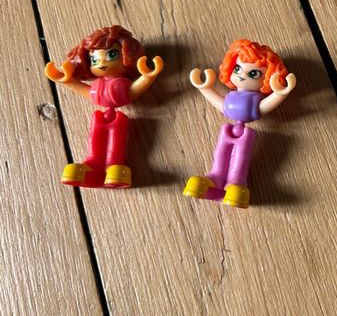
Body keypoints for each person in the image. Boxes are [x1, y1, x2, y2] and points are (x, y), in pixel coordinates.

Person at [45, 25, 163, 188]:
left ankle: (115, 164)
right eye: (94, 60)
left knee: (117, 135)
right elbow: (86, 91)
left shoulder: (121, 85)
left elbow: (132, 91)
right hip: (102, 117)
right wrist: (67, 80)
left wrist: (147, 77)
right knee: (96, 133)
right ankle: (92, 163)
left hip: (117, 118)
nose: (101, 64)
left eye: (112, 55)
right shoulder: (97, 86)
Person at [184, 39, 296, 208]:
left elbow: (264, 107)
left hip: (243, 132)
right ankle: (215, 176)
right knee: (221, 151)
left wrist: (280, 93)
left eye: (254, 74)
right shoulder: (231, 97)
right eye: (237, 69)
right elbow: (220, 104)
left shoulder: (255, 101)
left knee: (241, 156)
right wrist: (205, 87)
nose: (242, 75)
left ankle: (237, 181)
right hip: (232, 129)